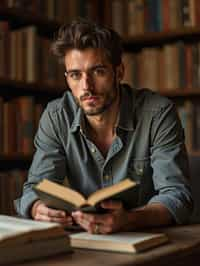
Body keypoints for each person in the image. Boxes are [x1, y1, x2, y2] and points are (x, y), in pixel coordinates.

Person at [15, 18, 193, 234]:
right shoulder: (56, 116)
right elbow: (35, 187)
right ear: (67, 78)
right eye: (75, 75)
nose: (86, 86)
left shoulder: (158, 114)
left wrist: (130, 220)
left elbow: (177, 196)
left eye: (98, 71)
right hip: (85, 242)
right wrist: (37, 208)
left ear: (119, 72)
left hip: (147, 239)